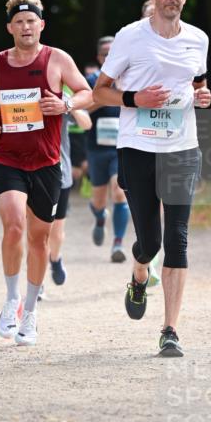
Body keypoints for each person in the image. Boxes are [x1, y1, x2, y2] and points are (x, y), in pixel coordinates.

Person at [92, 0, 211, 357]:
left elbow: (198, 83)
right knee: (151, 241)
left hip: (182, 147)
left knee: (177, 240)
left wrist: (203, 95)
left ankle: (170, 330)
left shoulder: (198, 39)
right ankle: (139, 270)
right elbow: (100, 92)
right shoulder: (130, 37)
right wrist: (135, 99)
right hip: (138, 147)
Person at [0, 0, 92, 346]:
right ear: (10, 27)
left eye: (31, 21)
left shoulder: (57, 59)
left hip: (46, 162)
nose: (25, 27)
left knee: (39, 239)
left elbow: (88, 93)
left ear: (42, 25)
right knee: (13, 225)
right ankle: (12, 300)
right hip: (7, 157)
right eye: (19, 22)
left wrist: (65, 103)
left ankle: (31, 311)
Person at [84, 35, 131, 263]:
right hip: (96, 149)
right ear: (99, 57)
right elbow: (79, 113)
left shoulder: (130, 79)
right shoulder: (90, 80)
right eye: (105, 54)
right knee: (99, 200)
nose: (110, 57)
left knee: (120, 191)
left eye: (114, 53)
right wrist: (104, 96)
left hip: (121, 148)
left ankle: (118, 243)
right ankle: (100, 216)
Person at [47, 102, 92, 287]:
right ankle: (37, 283)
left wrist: (68, 105)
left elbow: (86, 123)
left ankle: (55, 258)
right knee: (35, 233)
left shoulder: (58, 98)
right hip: (30, 174)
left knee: (56, 233)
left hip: (59, 174)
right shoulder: (23, 94)